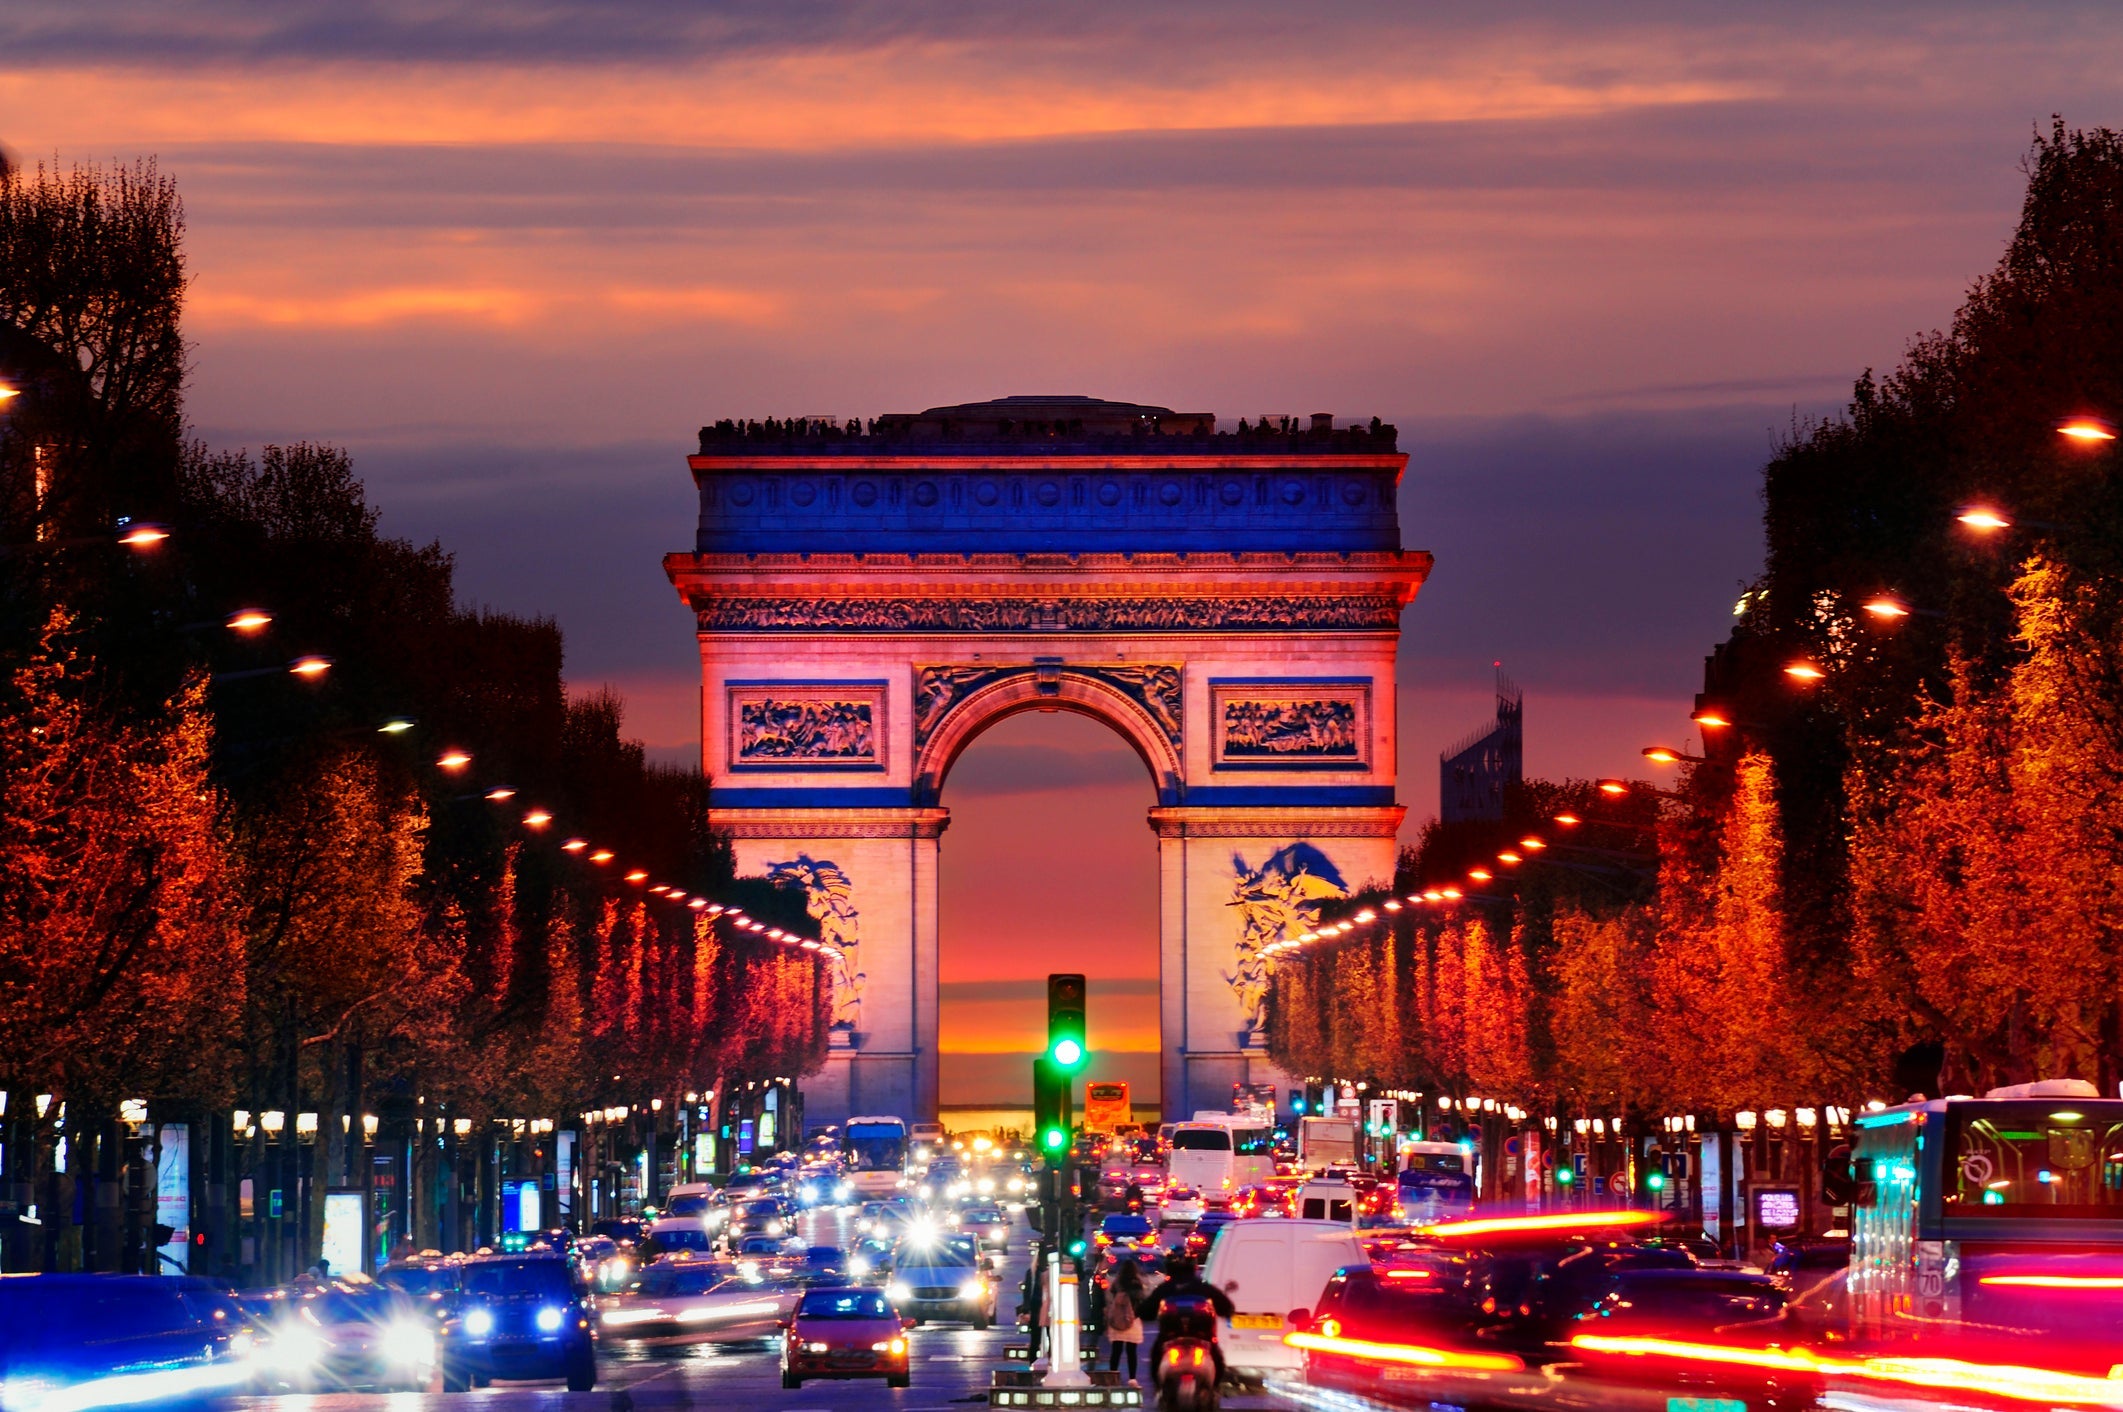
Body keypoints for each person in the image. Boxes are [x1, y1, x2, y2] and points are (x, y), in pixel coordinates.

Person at [1138, 1252, 1233, 1387]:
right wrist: (1226, 1312)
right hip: (1201, 1336)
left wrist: (1143, 1313)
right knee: (1216, 1355)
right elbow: (1225, 1306)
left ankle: (1159, 1388)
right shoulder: (1202, 1287)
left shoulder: (1165, 1288)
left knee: (1157, 1353)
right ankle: (1214, 1388)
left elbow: (1146, 1311)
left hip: (1171, 1336)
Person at [1104, 1256, 1147, 1381]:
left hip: (1117, 1319)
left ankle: (1113, 1376)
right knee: (1131, 1352)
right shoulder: (1137, 1284)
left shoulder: (1117, 1283)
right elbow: (1141, 1299)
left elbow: (1110, 1298)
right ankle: (1132, 1378)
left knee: (1116, 1350)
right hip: (1132, 1319)